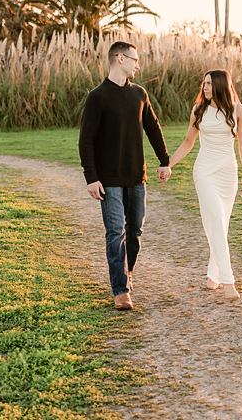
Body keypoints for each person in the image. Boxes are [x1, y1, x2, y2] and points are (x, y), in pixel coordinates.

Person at [78, 41, 171, 311]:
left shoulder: (139, 94)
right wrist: (91, 177)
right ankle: (121, 290)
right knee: (115, 231)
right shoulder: (97, 97)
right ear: (120, 58)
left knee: (135, 230)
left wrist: (164, 161)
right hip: (109, 180)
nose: (137, 65)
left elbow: (153, 128)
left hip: (136, 177)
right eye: (134, 59)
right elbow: (86, 140)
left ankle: (127, 271)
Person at [167, 70, 242, 301]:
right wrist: (168, 164)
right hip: (204, 172)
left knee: (220, 225)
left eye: (210, 84)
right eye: (204, 83)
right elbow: (188, 142)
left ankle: (213, 275)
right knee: (215, 219)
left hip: (228, 173)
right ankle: (228, 282)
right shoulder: (198, 110)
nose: (204, 87)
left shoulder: (238, 110)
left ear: (221, 86)